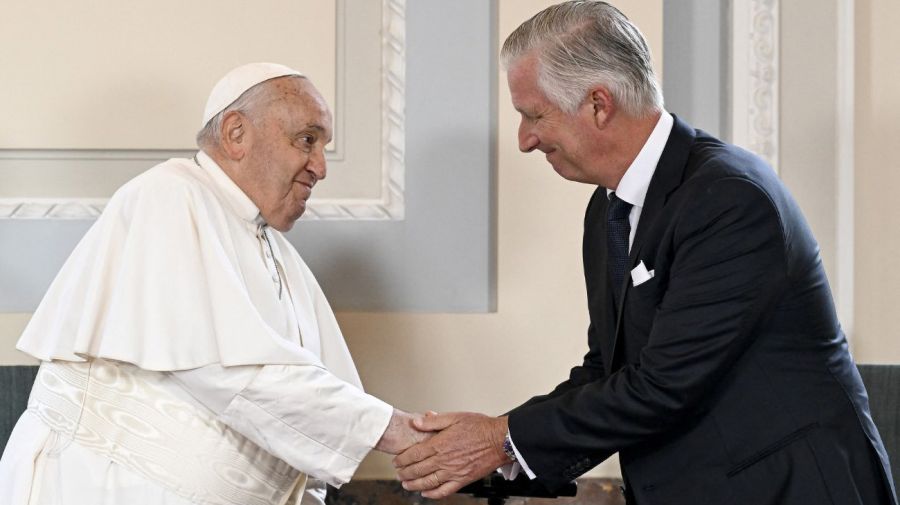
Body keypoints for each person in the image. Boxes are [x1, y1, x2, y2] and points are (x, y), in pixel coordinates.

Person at [393, 2, 898, 504]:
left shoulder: (730, 198)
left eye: (534, 115)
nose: (525, 140)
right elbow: (609, 372)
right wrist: (501, 449)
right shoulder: (608, 207)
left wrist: (502, 436)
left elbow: (663, 385)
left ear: (598, 103)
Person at [0, 62, 428, 505]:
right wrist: (393, 429)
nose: (320, 167)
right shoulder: (169, 195)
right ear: (236, 133)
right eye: (307, 140)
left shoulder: (276, 251)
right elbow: (236, 375)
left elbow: (294, 431)